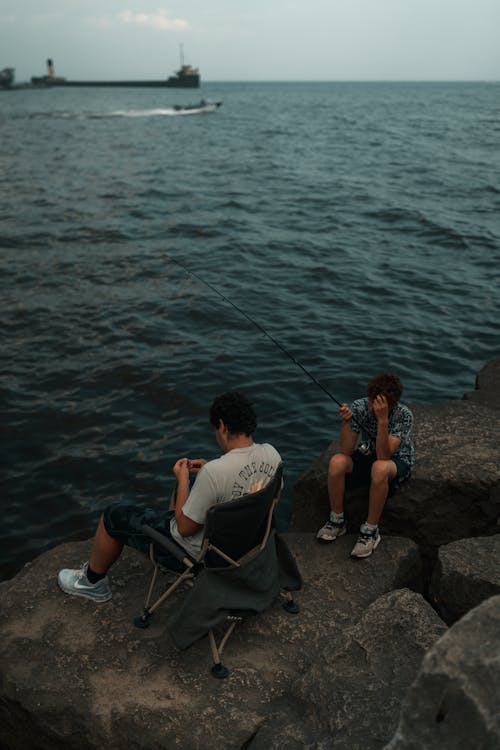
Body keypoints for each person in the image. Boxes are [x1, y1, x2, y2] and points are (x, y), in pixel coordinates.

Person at [58, 391, 282, 602]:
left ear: (222, 426)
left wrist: (183, 481)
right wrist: (206, 470)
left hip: (199, 557)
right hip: (246, 547)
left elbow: (184, 529)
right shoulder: (272, 455)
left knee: (113, 515)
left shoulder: (215, 472)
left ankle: (92, 583)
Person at [316, 373, 414, 559]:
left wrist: (383, 420)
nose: (372, 406)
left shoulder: (404, 415)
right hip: (368, 453)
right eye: (371, 399)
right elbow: (345, 449)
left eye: (378, 402)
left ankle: (370, 531)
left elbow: (385, 455)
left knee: (379, 467)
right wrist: (345, 423)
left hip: (396, 459)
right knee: (337, 461)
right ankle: (337, 520)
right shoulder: (360, 406)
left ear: (392, 403)